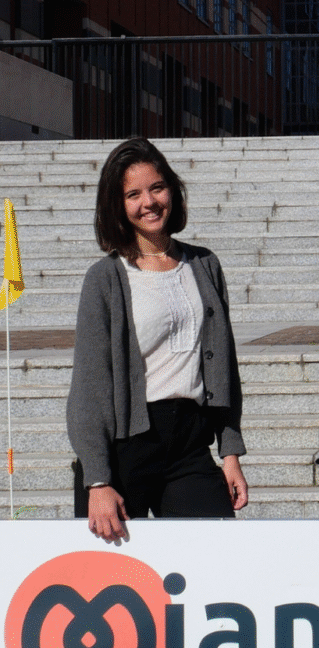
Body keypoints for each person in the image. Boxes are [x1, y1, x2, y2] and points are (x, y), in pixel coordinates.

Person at [68, 138, 248, 545]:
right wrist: (98, 480)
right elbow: (89, 386)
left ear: (172, 191)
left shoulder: (204, 264)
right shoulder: (105, 278)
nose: (148, 202)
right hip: (124, 449)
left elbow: (224, 367)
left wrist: (230, 452)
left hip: (189, 444)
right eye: (133, 194)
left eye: (157, 188)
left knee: (214, 551)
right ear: (117, 205)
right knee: (114, 573)